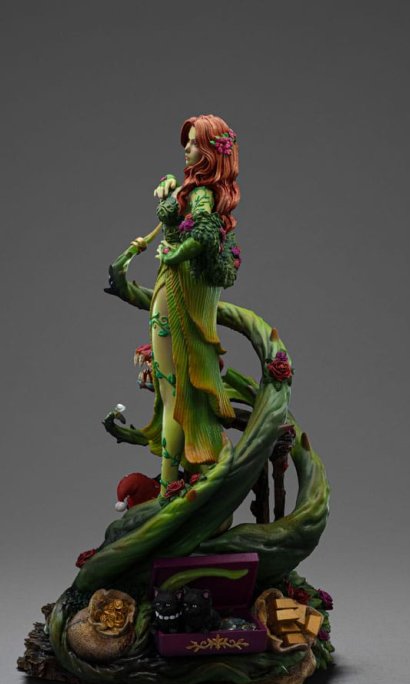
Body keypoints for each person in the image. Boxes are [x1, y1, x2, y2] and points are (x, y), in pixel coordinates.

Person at [139, 114, 242, 491]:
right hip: (173, 289)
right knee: (174, 390)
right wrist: (169, 188)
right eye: (188, 141)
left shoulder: (201, 195)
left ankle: (168, 486)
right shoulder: (194, 190)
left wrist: (173, 255)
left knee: (173, 394)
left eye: (196, 143)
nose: (187, 147)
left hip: (175, 290)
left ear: (212, 153)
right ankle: (176, 478)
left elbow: (204, 234)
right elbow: (191, 227)